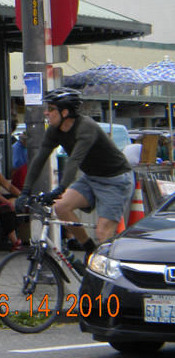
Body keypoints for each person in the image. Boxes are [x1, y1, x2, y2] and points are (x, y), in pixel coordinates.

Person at [16, 87, 134, 255]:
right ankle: (89, 249)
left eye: (50, 109)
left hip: (115, 180)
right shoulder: (54, 130)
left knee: (102, 233)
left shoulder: (86, 127)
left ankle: (106, 274)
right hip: (91, 177)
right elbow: (39, 159)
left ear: (65, 112)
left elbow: (74, 160)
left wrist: (60, 189)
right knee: (61, 207)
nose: (46, 113)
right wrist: (25, 191)